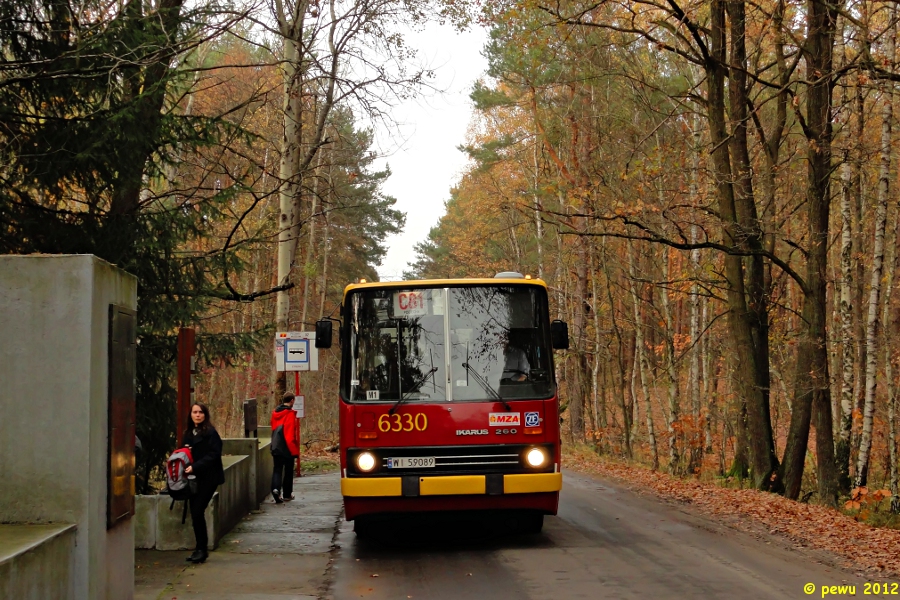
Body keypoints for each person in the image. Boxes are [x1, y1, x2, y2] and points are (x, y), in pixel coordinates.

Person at [182, 403, 225, 564]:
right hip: (193, 479)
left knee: (198, 510)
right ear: (191, 415)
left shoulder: (211, 433)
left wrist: (195, 467)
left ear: (205, 415)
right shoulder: (188, 433)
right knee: (195, 512)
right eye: (194, 412)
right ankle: (199, 548)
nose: (197, 415)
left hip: (209, 477)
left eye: (200, 412)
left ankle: (202, 549)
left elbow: (215, 454)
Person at [270, 392, 300, 503]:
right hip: (286, 447)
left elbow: (273, 428)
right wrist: (294, 451)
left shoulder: (275, 413)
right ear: (292, 400)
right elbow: (289, 434)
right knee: (288, 471)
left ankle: (275, 489)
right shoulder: (289, 414)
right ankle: (287, 494)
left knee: (277, 470)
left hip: (276, 445)